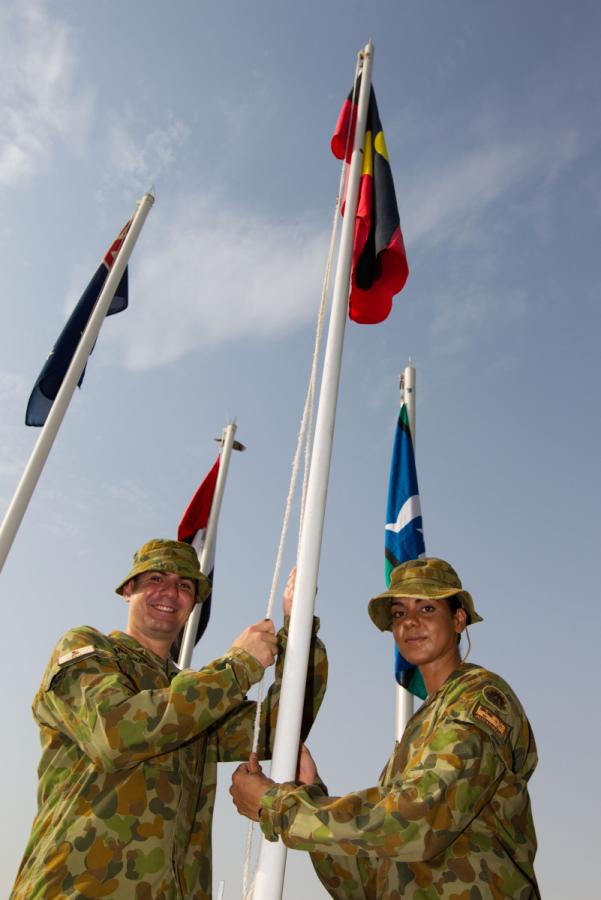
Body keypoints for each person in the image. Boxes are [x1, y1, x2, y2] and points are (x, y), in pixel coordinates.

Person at [12, 539, 327, 900]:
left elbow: (279, 727)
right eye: (156, 579)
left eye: (184, 586)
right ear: (129, 589)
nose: (170, 593)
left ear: (193, 602)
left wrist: (298, 628)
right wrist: (237, 666)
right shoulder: (89, 649)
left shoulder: (197, 698)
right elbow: (113, 733)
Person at [230, 557, 540, 899]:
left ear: (458, 619)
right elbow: (369, 880)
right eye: (398, 613)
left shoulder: (479, 697)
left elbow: (420, 819)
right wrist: (310, 791)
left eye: (426, 609)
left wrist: (278, 806)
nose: (409, 623)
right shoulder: (422, 725)